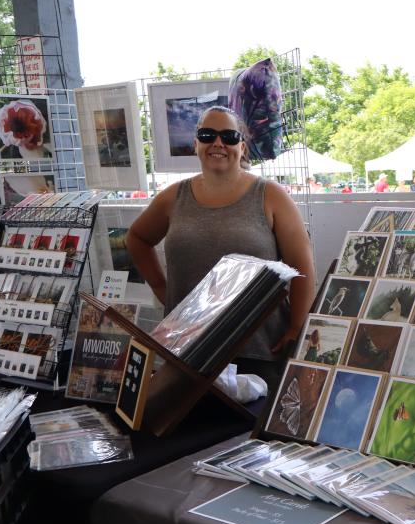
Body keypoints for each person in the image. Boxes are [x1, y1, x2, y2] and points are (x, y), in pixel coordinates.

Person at [126, 106, 315, 364]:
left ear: (242, 147)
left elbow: (302, 264)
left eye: (229, 136)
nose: (218, 143)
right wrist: (163, 289)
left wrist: (296, 329)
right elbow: (137, 238)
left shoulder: (271, 196)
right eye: (207, 135)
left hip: (259, 350)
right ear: (196, 144)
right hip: (186, 352)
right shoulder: (173, 198)